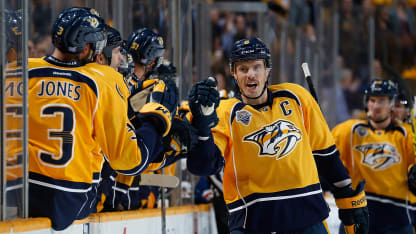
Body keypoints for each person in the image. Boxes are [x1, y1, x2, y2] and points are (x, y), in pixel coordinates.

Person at [185, 37, 369, 233]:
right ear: (234, 73)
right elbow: (202, 166)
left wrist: (348, 198)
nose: (251, 75)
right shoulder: (225, 112)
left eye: (256, 67)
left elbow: (326, 155)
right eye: (243, 69)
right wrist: (203, 126)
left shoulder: (296, 97)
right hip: (252, 224)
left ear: (267, 70)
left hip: (307, 219)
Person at [28, 7, 177, 230]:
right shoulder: (101, 80)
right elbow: (129, 161)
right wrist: (155, 122)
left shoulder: (19, 71)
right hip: (71, 198)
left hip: (19, 191)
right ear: (87, 47)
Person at [332, 79, 416, 234]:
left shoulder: (406, 134)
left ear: (391, 103)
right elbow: (325, 157)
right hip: (358, 216)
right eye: (372, 100)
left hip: (398, 219)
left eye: (382, 101)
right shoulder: (348, 131)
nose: (376, 106)